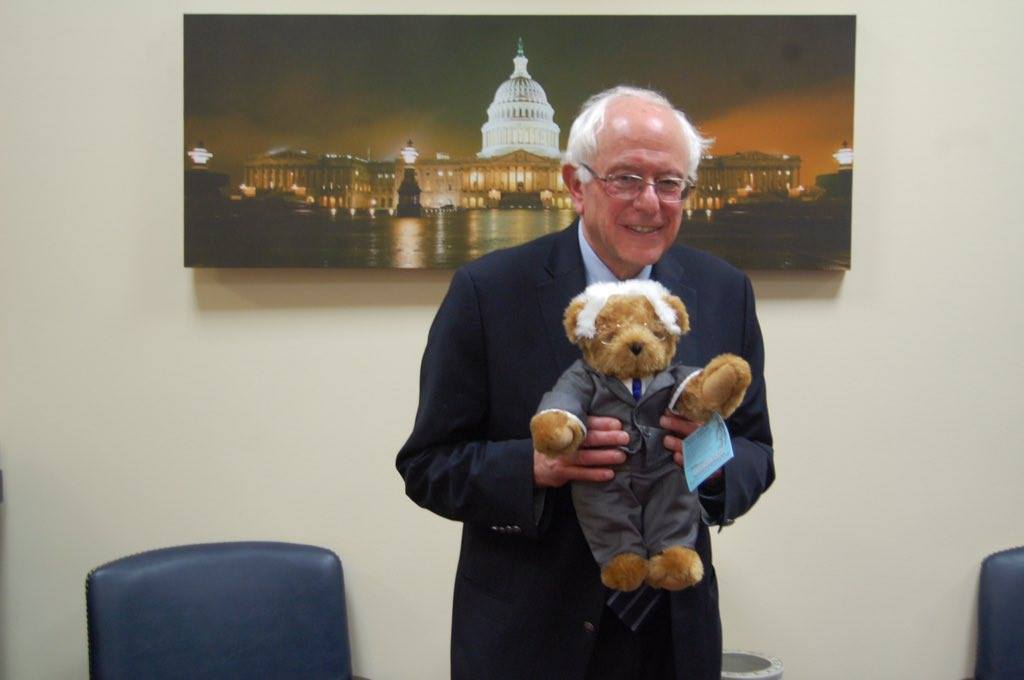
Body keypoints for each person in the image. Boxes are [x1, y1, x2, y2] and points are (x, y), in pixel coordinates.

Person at [396, 86, 774, 680]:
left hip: (673, 634)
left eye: (669, 182)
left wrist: (712, 465)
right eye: (625, 178)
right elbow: (427, 465)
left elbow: (757, 449)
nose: (649, 202)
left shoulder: (724, 291)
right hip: (528, 637)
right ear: (576, 184)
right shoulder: (487, 292)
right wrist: (535, 469)